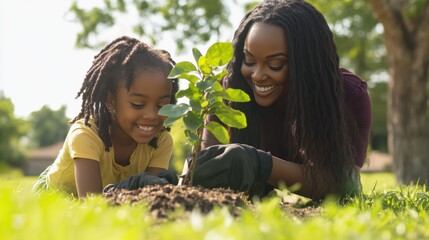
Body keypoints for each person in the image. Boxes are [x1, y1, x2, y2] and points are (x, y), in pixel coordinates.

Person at [188, 0, 371, 201]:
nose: (257, 75)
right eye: (249, 60)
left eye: (275, 64)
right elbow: (205, 172)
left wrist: (260, 164)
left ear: (305, 64)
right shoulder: (228, 89)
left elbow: (345, 185)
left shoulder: (347, 95)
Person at [33, 36, 179, 198]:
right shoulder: (86, 134)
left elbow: (150, 198)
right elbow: (91, 204)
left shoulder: (160, 142)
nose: (152, 115)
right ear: (110, 101)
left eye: (161, 106)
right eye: (137, 104)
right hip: (55, 199)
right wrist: (131, 186)